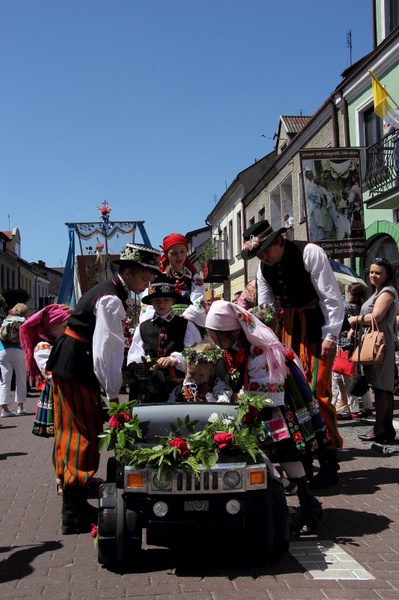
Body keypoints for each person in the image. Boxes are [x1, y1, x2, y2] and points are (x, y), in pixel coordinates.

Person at [46, 243, 161, 534]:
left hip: (71, 360)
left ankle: (75, 496)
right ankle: (73, 512)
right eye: (144, 280)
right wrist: (112, 393)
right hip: (78, 363)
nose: (145, 286)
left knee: (71, 427)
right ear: (128, 272)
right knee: (81, 431)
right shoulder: (111, 300)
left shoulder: (107, 291)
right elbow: (106, 351)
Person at [241, 220, 344, 489]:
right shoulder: (264, 268)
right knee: (292, 396)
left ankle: (329, 458)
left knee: (317, 392)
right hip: (287, 331)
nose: (263, 257)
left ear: (278, 240)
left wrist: (331, 335)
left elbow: (331, 297)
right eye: (258, 253)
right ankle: (303, 460)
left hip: (315, 328)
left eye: (265, 250)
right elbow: (264, 308)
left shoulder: (309, 252)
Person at [205, 300, 323, 535]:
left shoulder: (259, 349)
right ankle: (278, 503)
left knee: (285, 452)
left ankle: (307, 505)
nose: (217, 343)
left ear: (235, 331)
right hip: (260, 405)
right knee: (270, 455)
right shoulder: (240, 346)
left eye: (219, 337)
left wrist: (239, 399)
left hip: (273, 405)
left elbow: (263, 388)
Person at [19, 303, 73, 494]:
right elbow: (50, 374)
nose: (67, 326)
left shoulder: (64, 341)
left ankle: (74, 475)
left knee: (72, 437)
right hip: (57, 393)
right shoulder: (43, 346)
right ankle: (60, 477)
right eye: (62, 324)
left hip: (69, 391)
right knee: (61, 438)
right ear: (50, 328)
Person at [127, 274, 202, 403]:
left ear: (173, 301)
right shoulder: (143, 327)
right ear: (151, 302)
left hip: (179, 386)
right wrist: (144, 362)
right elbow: (134, 355)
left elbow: (196, 355)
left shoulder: (186, 325)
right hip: (149, 387)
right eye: (157, 300)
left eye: (166, 299)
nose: (161, 303)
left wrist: (174, 360)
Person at [348, 257, 398, 443]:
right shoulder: (377, 292)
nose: (374, 276)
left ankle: (379, 429)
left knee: (381, 387)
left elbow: (376, 316)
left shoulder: (387, 292)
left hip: (380, 342)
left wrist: (356, 320)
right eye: (372, 272)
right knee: (381, 387)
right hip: (376, 340)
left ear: (387, 275)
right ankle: (386, 429)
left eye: (378, 273)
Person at [140, 232, 206, 329]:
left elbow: (199, 302)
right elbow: (147, 304)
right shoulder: (156, 279)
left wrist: (182, 320)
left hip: (189, 324)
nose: (179, 257)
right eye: (174, 253)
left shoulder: (194, 278)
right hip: (162, 324)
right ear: (166, 254)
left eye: (182, 252)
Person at [332, 282, 373, 420]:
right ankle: (368, 407)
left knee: (347, 378)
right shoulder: (363, 308)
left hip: (346, 345)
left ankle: (354, 409)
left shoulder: (347, 307)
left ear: (351, 294)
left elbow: (341, 324)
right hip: (360, 345)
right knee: (360, 376)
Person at [168, 341, 233, 403]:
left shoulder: (216, 385)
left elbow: (224, 393)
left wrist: (221, 400)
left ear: (210, 372)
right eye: (191, 373)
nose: (196, 378)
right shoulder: (180, 390)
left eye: (201, 375)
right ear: (186, 369)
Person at [0, 303, 29, 417]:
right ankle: (20, 407)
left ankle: (4, 409)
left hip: (3, 351)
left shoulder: (6, 321)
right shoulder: (24, 322)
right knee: (21, 378)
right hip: (19, 350)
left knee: (4, 380)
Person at [304, 169, 324, 241]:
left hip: (316, 205)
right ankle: (315, 237)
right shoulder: (306, 184)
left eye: (312, 174)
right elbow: (310, 194)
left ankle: (320, 236)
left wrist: (320, 198)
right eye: (311, 174)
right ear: (308, 175)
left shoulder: (312, 183)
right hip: (311, 205)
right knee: (313, 222)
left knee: (318, 220)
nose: (312, 176)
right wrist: (318, 197)